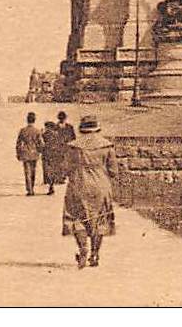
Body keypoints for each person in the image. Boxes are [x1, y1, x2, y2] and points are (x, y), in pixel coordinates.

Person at [62, 115, 117, 270]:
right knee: (99, 219)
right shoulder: (107, 146)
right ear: (97, 128)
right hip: (101, 185)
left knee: (76, 217)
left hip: (79, 185)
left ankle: (83, 249)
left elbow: (66, 168)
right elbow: (113, 171)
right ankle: (94, 253)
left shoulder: (73, 147)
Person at [15, 112, 44, 196]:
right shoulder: (37, 131)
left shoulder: (23, 130)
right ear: (34, 120)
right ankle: (32, 187)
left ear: (27, 120)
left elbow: (18, 143)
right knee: (33, 171)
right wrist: (40, 151)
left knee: (27, 172)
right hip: (34, 153)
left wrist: (18, 153)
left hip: (25, 152)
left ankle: (29, 190)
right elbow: (41, 143)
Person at [40, 119, 67, 194]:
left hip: (47, 154)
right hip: (55, 154)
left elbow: (41, 142)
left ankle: (50, 185)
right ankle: (51, 185)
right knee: (53, 169)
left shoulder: (46, 134)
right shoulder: (57, 134)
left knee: (47, 170)